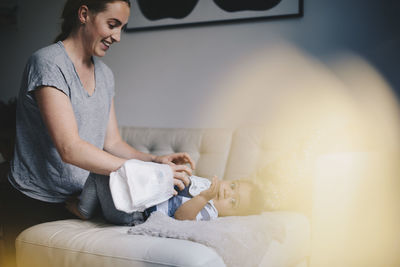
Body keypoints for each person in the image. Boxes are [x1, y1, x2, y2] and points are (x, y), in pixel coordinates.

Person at [4, 0, 194, 265]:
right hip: (33, 201)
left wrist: (154, 161)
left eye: (122, 28)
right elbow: (69, 148)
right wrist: (145, 173)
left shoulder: (105, 74)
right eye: (112, 25)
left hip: (78, 203)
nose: (117, 37)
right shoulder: (48, 62)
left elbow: (113, 142)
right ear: (84, 14)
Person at [66, 173, 265, 224]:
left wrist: (204, 198)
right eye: (233, 187)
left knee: (100, 174)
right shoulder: (203, 185)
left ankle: (85, 210)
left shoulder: (208, 213)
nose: (227, 193)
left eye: (233, 202)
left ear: (231, 215)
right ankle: (96, 203)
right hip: (139, 198)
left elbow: (181, 217)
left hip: (133, 214)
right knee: (116, 174)